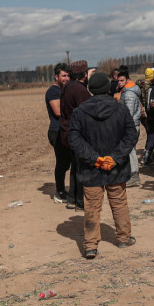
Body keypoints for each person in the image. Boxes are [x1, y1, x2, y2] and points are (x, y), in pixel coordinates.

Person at [68, 72, 137, 259]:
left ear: (90, 89)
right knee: (119, 202)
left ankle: (90, 246)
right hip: (116, 167)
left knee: (91, 207)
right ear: (109, 88)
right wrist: (114, 158)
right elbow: (131, 135)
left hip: (91, 170)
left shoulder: (80, 112)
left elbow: (74, 139)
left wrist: (95, 159)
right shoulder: (120, 109)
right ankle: (124, 238)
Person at [60, 60, 94, 211]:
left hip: (68, 132)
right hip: (78, 133)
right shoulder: (80, 90)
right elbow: (86, 112)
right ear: (84, 74)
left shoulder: (68, 86)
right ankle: (80, 201)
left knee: (75, 166)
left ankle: (72, 198)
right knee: (82, 168)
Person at [46, 63, 71, 203]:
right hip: (56, 131)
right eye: (64, 76)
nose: (66, 78)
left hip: (64, 130)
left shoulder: (64, 89)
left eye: (68, 75)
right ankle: (59, 191)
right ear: (56, 76)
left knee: (68, 162)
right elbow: (58, 112)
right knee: (62, 162)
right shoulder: (53, 91)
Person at [116, 71, 142, 187]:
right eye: (118, 81)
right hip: (131, 125)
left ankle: (134, 176)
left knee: (130, 151)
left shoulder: (129, 94)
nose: (119, 83)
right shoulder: (127, 92)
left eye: (122, 80)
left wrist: (125, 126)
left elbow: (129, 114)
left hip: (130, 126)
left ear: (127, 80)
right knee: (131, 150)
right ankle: (132, 175)